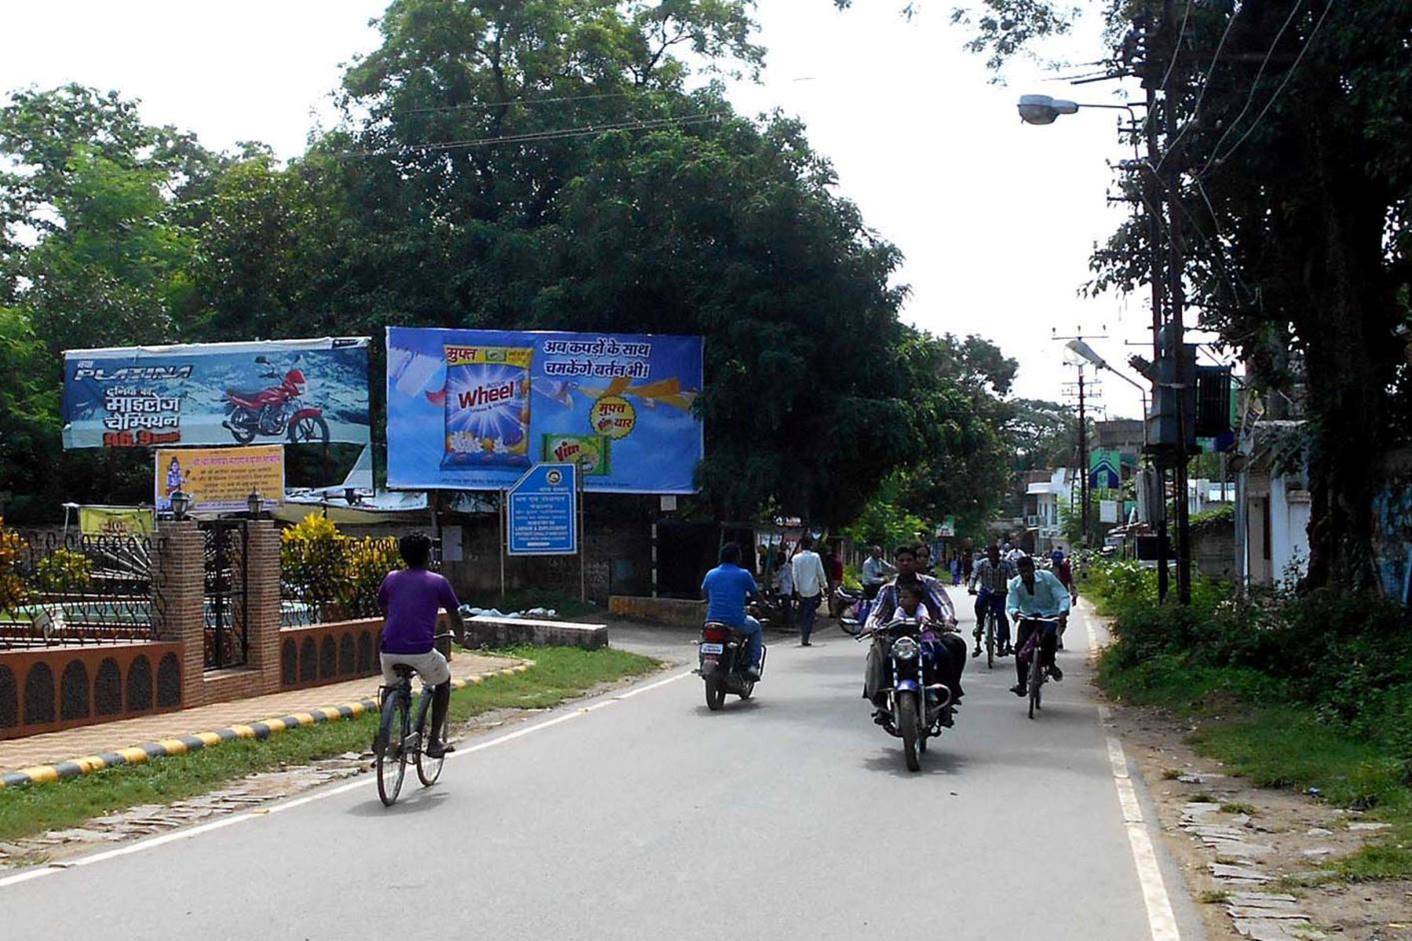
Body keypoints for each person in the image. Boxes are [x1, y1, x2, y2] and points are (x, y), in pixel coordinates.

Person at [376, 532, 467, 758]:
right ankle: (434, 741)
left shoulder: (391, 578)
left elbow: (384, 607)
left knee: (392, 686)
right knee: (443, 681)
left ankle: (385, 732)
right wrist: (461, 636)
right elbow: (454, 614)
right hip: (421, 651)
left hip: (388, 651)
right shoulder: (437, 582)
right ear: (428, 555)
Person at [864, 545, 966, 721]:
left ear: (915, 561)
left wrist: (948, 621)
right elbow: (876, 612)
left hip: (927, 635)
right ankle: (881, 701)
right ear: (895, 563)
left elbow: (943, 604)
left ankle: (947, 699)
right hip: (895, 638)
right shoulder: (887, 588)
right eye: (901, 560)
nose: (905, 564)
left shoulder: (930, 584)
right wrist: (870, 626)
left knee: (951, 650)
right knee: (878, 659)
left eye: (909, 560)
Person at [1006, 554, 1072, 697]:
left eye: (1028, 571)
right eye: (1022, 572)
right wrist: (1015, 612)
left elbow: (1062, 596)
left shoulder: (1047, 578)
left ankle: (1050, 664)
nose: (1025, 575)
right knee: (1020, 648)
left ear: (1033, 569)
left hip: (1049, 615)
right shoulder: (1015, 584)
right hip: (1028, 616)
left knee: (1049, 636)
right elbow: (1011, 604)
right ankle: (1022, 684)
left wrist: (1062, 612)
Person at [701, 542, 764, 679]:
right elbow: (755, 594)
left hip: (712, 621)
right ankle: (752, 665)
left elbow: (704, 593)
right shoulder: (743, 575)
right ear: (737, 558)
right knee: (756, 628)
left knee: (704, 637)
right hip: (736, 621)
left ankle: (703, 662)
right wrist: (764, 604)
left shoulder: (711, 574)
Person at [968, 544, 1018, 657]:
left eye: (995, 555)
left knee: (1001, 616)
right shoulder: (982, 564)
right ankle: (979, 630)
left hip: (1000, 594)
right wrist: (971, 587)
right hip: (985, 592)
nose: (993, 558)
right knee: (979, 608)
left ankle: (1002, 644)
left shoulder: (1006, 565)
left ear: (999, 555)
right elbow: (974, 576)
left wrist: (1017, 589)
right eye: (991, 555)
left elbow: (1014, 578)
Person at [791, 535, 829, 646]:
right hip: (813, 590)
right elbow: (820, 573)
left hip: (801, 590)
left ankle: (804, 634)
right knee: (809, 614)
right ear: (811, 545)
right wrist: (824, 586)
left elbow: (795, 575)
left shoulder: (796, 558)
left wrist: (797, 590)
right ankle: (805, 636)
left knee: (803, 613)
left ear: (801, 546)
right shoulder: (815, 557)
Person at [774, 545, 795, 628]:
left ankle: (790, 624)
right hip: (783, 590)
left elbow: (779, 578)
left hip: (786, 590)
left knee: (787, 608)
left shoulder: (786, 568)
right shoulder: (782, 567)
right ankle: (786, 622)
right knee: (785, 607)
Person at [824, 547, 845, 616]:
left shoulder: (832, 561)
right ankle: (833, 611)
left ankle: (833, 611)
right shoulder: (836, 561)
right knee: (834, 596)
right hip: (835, 580)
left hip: (834, 580)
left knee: (832, 596)